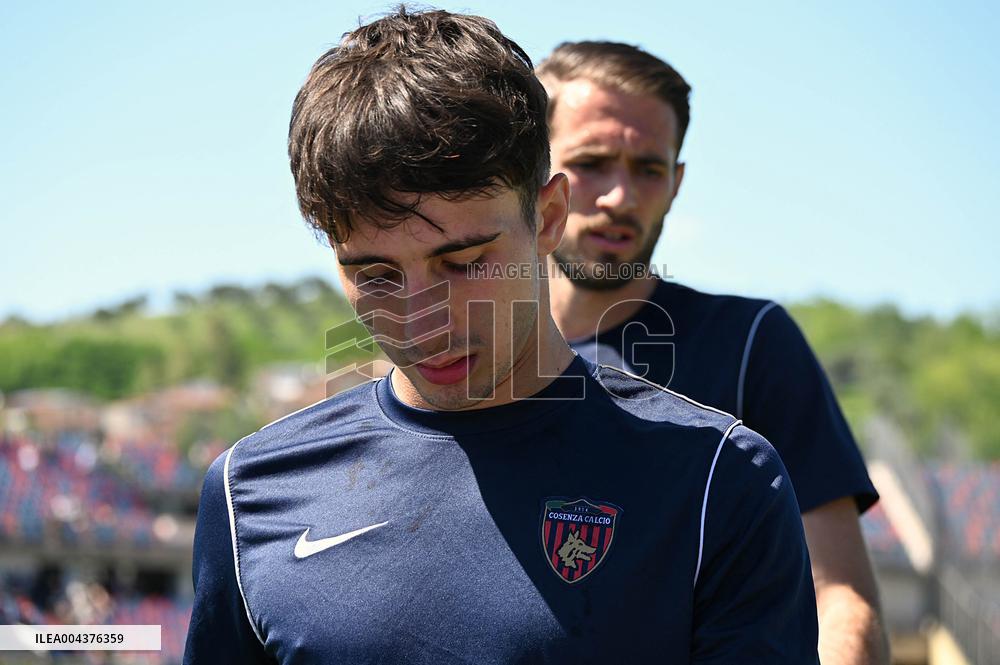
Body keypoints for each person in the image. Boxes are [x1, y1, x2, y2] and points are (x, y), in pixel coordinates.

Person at [184, 9, 818, 663]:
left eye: (463, 263)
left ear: (547, 217)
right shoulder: (246, 495)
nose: (424, 318)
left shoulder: (720, 483)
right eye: (375, 274)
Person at [537, 41, 887, 665]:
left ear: (676, 182)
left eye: (648, 168)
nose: (621, 196)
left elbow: (841, 604)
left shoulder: (752, 344)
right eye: (591, 162)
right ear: (534, 175)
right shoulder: (461, 361)